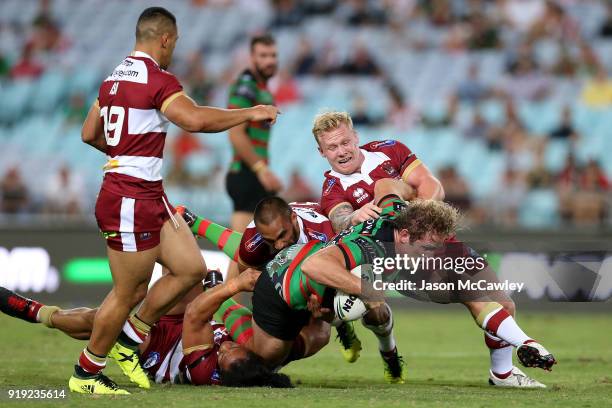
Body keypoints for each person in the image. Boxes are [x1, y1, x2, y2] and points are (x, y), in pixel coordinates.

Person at [75, 7, 279, 395]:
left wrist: (124, 154)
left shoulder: (112, 80)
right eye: (175, 43)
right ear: (165, 39)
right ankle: (86, 373)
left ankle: (129, 341)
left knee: (191, 269)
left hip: (148, 193)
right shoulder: (157, 79)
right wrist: (251, 112)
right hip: (130, 197)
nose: (173, 50)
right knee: (128, 293)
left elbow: (89, 133)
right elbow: (196, 120)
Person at [301, 180, 557, 387]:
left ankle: (504, 371)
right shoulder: (369, 244)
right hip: (370, 273)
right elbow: (314, 265)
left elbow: (385, 185)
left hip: (417, 265)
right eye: (428, 248)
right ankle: (367, 341)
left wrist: (527, 343)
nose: (433, 255)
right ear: (402, 236)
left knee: (502, 302)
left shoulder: (418, 232)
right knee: (364, 313)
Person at [0, 269, 292, 388]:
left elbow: (195, 316)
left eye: (224, 354)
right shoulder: (248, 362)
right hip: (182, 328)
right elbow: (205, 314)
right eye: (231, 346)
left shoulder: (205, 371)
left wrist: (231, 286)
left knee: (105, 320)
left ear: (221, 371)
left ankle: (39, 313)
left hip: (158, 350)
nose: (225, 346)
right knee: (187, 272)